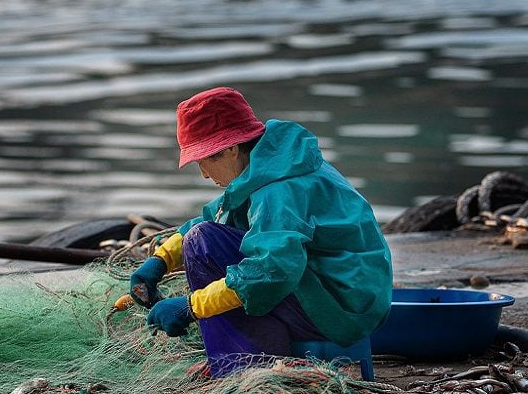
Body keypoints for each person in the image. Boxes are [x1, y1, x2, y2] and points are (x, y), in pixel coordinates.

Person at [131, 86, 391, 376]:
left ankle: (244, 370)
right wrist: (161, 260)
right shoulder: (275, 164)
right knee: (204, 236)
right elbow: (219, 215)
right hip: (347, 294)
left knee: (202, 244)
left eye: (204, 160)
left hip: (341, 309)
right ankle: (241, 356)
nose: (203, 173)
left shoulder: (279, 189)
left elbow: (272, 272)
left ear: (230, 148)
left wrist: (191, 307)